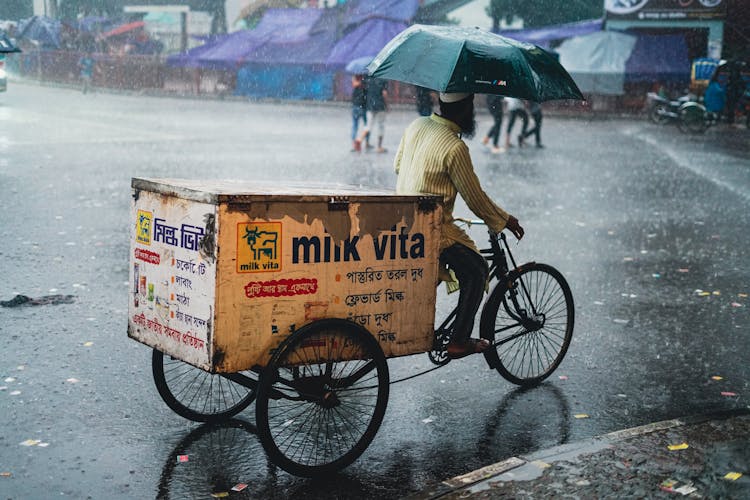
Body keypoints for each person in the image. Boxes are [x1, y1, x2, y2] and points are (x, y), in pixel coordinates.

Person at [394, 92, 524, 359]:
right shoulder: (454, 147)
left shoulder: (417, 125)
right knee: (477, 270)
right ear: (464, 109)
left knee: (448, 268)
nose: (473, 114)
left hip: (403, 220)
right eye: (471, 109)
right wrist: (505, 220)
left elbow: (398, 166)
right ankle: (459, 340)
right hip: (432, 229)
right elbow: (475, 198)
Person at [356, 76, 388, 153]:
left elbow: (364, 90)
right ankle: (379, 147)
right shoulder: (383, 79)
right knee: (381, 126)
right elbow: (384, 93)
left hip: (370, 106)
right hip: (380, 106)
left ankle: (359, 139)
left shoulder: (368, 79)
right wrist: (387, 105)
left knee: (368, 126)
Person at [350, 74, 367, 152]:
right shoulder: (365, 83)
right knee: (366, 126)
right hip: (363, 107)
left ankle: (354, 144)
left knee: (355, 126)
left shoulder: (356, 83)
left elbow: (354, 83)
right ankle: (367, 142)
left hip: (355, 106)